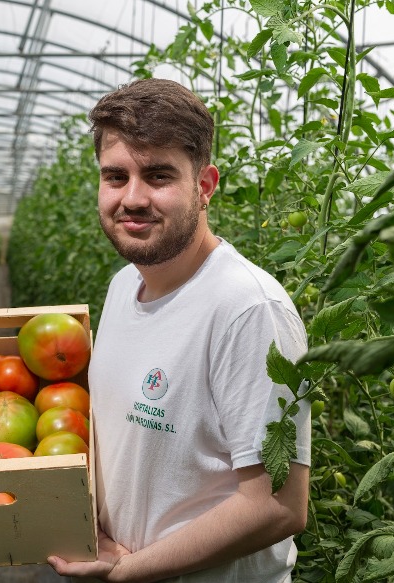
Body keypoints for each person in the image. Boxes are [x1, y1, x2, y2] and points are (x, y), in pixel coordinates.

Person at [47, 78, 311, 582]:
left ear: (205, 185)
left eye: (159, 175)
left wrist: (128, 570)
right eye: (116, 176)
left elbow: (278, 506)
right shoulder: (125, 286)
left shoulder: (247, 310)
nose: (133, 197)